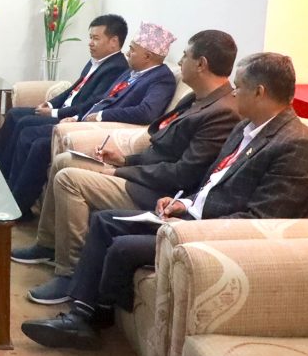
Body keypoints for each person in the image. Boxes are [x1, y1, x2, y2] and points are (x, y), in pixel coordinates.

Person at [21, 53, 308, 350]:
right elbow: (211, 182)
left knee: (123, 246)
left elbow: (263, 221)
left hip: (213, 234)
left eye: (239, 86)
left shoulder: (295, 144)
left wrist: (187, 224)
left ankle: (85, 317)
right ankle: (84, 314)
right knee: (104, 221)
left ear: (259, 92)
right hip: (191, 215)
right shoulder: (245, 128)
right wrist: (185, 203)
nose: (234, 93)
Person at [15, 30, 241, 304]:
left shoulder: (222, 112)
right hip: (144, 173)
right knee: (64, 160)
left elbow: (183, 174)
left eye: (185, 55)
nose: (180, 61)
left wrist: (120, 171)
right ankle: (47, 245)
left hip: (158, 191)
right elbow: (159, 147)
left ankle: (70, 274)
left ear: (201, 64)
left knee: (69, 180)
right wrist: (124, 159)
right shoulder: (196, 99)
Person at [2, 21, 179, 219]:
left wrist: (101, 116)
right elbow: (102, 99)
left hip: (101, 131)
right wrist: (76, 117)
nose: (127, 53)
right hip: (85, 122)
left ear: (147, 56)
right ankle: (9, 194)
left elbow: (146, 112)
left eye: (132, 49)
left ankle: (17, 208)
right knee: (28, 130)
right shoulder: (131, 72)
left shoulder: (161, 79)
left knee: (38, 141)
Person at [0, 14, 130, 174]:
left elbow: (92, 103)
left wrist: (55, 112)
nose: (90, 43)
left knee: (25, 124)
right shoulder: (97, 60)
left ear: (113, 41)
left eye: (96, 38)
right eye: (90, 37)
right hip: (62, 110)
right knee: (13, 114)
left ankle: (5, 175)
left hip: (71, 118)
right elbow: (74, 88)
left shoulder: (117, 68)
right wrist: (51, 103)